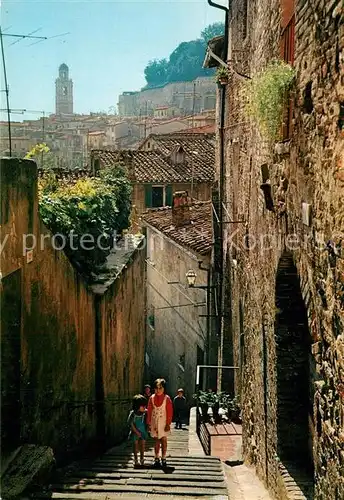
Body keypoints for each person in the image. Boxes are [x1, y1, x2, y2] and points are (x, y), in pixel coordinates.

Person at [147, 378, 173, 468]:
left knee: (164, 440)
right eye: (156, 388)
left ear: (164, 389)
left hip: (163, 422)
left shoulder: (167, 399)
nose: (158, 390)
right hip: (155, 422)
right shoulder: (152, 398)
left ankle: (164, 457)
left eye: (160, 388)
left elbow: (170, 412)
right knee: (156, 440)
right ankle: (156, 457)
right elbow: (149, 411)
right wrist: (149, 423)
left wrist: (168, 424)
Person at [127, 394, 148, 468]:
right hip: (135, 432)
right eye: (143, 406)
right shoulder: (133, 413)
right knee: (135, 445)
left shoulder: (144, 413)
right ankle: (136, 459)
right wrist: (136, 432)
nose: (144, 408)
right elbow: (131, 423)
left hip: (143, 431)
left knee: (142, 445)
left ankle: (142, 459)